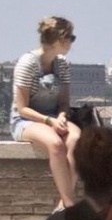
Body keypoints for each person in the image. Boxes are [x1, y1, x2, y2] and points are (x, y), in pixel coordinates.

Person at [15, 16, 83, 209]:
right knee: (55, 144)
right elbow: (22, 108)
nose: (72, 42)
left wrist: (61, 116)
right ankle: (69, 205)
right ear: (60, 40)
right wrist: (48, 121)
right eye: (71, 37)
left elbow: (63, 103)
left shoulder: (63, 65)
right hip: (25, 121)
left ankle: (63, 205)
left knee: (76, 140)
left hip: (53, 117)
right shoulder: (27, 63)